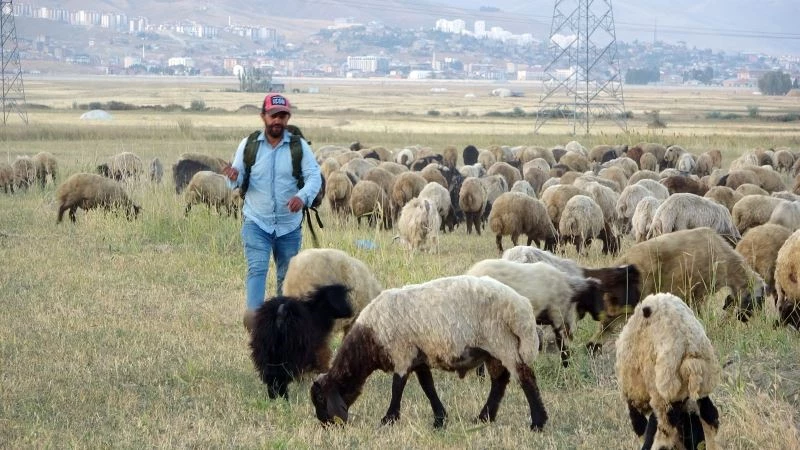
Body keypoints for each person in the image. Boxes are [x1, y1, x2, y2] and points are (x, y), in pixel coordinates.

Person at [223, 93, 322, 332]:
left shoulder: (298, 147)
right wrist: (234, 177)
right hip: (256, 221)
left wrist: (302, 197)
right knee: (256, 269)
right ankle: (256, 323)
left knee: (285, 277)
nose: (278, 120)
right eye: (273, 115)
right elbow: (237, 176)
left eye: (283, 116)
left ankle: (282, 324)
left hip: (289, 225)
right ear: (263, 117)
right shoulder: (249, 145)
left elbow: (313, 176)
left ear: (288, 118)